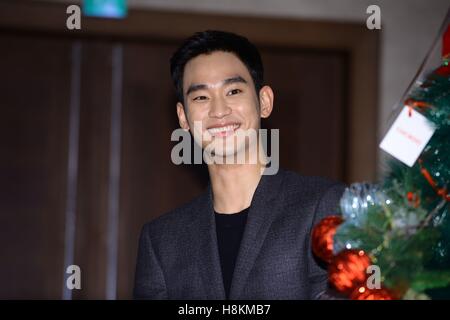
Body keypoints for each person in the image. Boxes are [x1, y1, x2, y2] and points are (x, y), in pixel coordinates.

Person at [133, 30, 345, 300]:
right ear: (183, 118)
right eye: (201, 97)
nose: (219, 111)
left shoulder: (323, 205)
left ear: (264, 102)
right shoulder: (161, 240)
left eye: (233, 91)